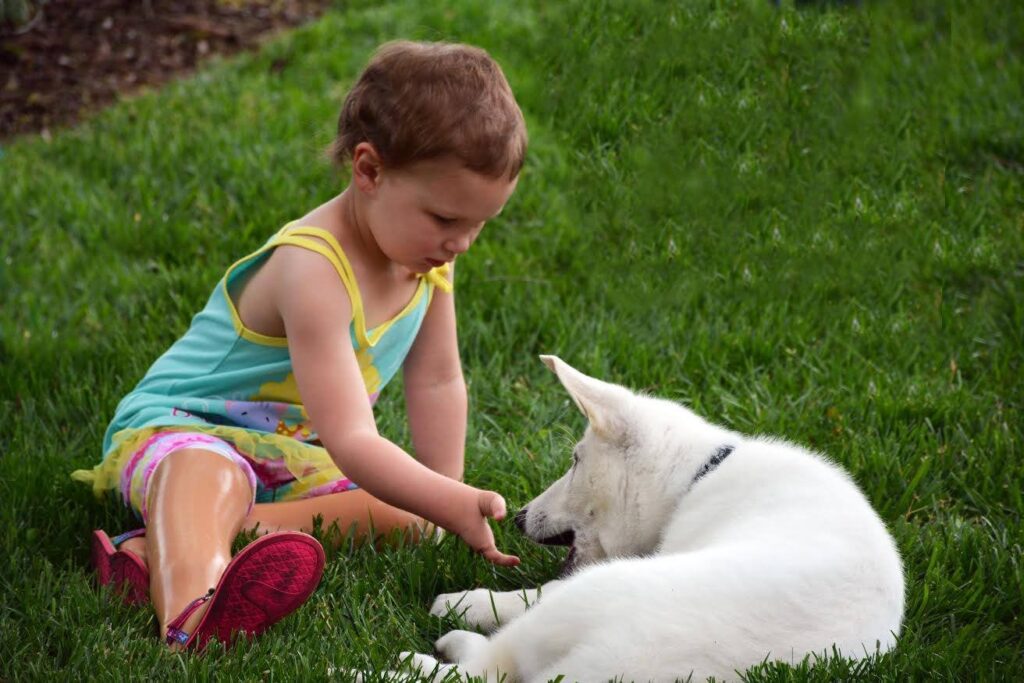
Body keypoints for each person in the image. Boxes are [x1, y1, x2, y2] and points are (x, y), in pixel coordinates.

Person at [72, 40, 527, 650]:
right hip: (180, 432)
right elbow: (353, 439)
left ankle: (162, 546)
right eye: (446, 219)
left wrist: (445, 499)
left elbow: (437, 380)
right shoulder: (312, 267)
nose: (462, 243)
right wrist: (444, 497)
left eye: (479, 224)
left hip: (286, 457)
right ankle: (194, 611)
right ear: (368, 170)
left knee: (410, 519)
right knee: (211, 472)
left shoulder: (429, 263)